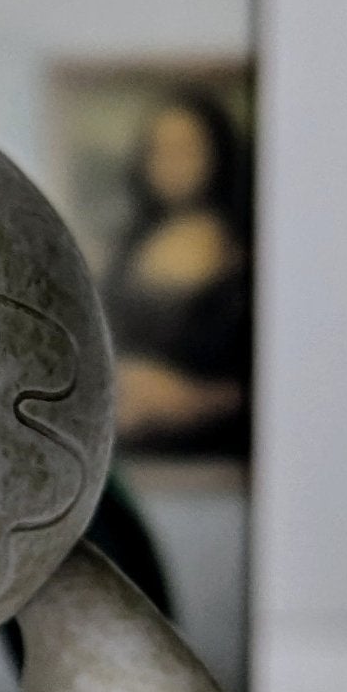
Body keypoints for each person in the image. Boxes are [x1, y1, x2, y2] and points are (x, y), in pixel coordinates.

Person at [98, 89, 253, 459]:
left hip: (212, 459)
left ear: (217, 153)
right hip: (132, 453)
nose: (171, 164)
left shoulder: (245, 252)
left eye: (185, 150)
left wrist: (187, 399)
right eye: (159, 150)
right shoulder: (125, 249)